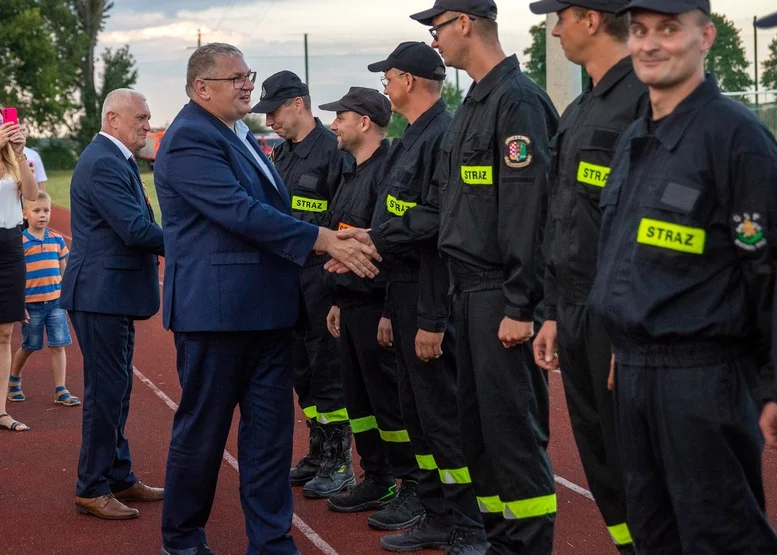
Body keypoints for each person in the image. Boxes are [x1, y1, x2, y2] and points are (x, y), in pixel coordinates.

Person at [154, 43, 380, 555]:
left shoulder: (240, 136)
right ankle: (183, 541)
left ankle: (273, 542)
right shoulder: (190, 136)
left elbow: (269, 210)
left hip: (268, 315)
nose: (246, 85)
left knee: (270, 442)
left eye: (247, 75)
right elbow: (238, 212)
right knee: (204, 437)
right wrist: (324, 240)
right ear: (200, 88)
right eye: (235, 78)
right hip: (218, 316)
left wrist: (335, 241)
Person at [588, 0, 777, 552]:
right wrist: (626, 339)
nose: (650, 43)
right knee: (653, 533)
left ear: (705, 37)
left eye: (669, 30)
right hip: (637, 371)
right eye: (640, 30)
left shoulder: (735, 137)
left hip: (703, 378)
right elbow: (630, 251)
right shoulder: (633, 138)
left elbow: (767, 266)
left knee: (721, 536)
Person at [377, 1, 559, 552]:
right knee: (479, 441)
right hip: (465, 291)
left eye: (436, 28)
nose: (434, 41)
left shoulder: (518, 101)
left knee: (513, 443)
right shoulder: (475, 102)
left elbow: (530, 211)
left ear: (463, 24)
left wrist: (521, 305)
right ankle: (497, 542)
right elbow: (456, 208)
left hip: (499, 294)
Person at [527, 1, 648, 552]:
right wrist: (551, 310)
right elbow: (561, 220)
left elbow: (652, 230)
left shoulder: (646, 101)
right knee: (602, 462)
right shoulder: (578, 110)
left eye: (561, 16)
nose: (555, 28)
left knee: (644, 463)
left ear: (592, 18)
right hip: (574, 313)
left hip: (622, 319)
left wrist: (636, 324)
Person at [365, 42, 488, 554]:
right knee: (418, 415)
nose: (384, 87)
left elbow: (442, 226)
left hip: (432, 293)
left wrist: (432, 317)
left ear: (409, 81)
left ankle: (469, 524)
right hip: (405, 291)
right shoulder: (413, 135)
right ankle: (438, 514)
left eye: (387, 78)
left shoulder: (443, 134)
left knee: (443, 417)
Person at [317, 87, 424, 532]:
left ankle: (412, 486)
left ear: (364, 122)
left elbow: (393, 244)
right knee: (359, 401)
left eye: (340, 116)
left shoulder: (391, 171)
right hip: (352, 304)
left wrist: (386, 310)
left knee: (391, 403)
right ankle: (376, 476)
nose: (333, 124)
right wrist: (340, 300)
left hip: (381, 305)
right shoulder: (349, 171)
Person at [61, 88, 165, 520]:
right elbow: (136, 230)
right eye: (140, 117)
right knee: (106, 393)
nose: (146, 124)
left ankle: (119, 475)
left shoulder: (115, 158)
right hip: (99, 295)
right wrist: (195, 243)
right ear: (112, 119)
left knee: (117, 390)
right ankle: (91, 486)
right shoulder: (103, 160)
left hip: (111, 293)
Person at [251, 71, 355, 496]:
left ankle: (339, 460)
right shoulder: (281, 154)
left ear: (298, 103)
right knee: (301, 369)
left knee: (328, 368)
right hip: (286, 277)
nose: (269, 120)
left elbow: (347, 211)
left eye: (274, 111)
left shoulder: (332, 150)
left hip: (321, 275)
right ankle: (316, 450)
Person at [8, 191, 79, 407]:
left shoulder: (57, 240)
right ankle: (13, 380)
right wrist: (19, 305)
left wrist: (66, 296)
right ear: (25, 214)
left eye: (46, 210)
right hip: (32, 305)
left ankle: (60, 389)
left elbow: (64, 270)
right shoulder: (20, 242)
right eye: (37, 211)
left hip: (55, 302)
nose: (42, 215)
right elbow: (15, 276)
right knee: (30, 345)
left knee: (59, 345)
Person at [0, 109, 38, 432]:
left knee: (5, 333)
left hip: (11, 246)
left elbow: (32, 195)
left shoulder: (15, 158)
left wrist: (20, 153)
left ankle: (0, 411)